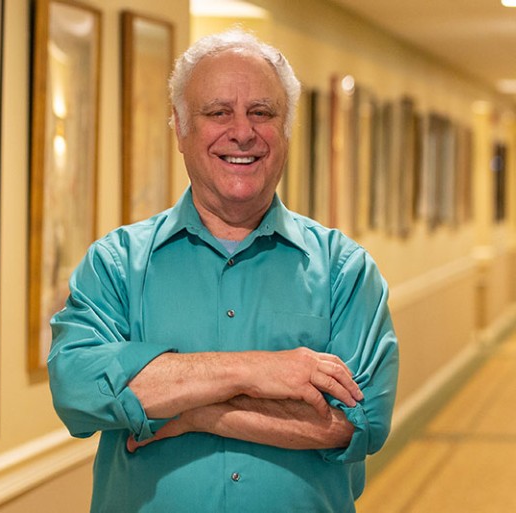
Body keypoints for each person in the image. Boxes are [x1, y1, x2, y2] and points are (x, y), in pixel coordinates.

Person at [48, 28, 399, 513]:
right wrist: (260, 370)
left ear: (286, 128)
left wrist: (196, 413)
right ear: (179, 127)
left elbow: (361, 422)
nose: (242, 132)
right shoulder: (116, 264)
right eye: (218, 112)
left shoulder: (345, 270)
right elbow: (77, 388)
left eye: (262, 112)